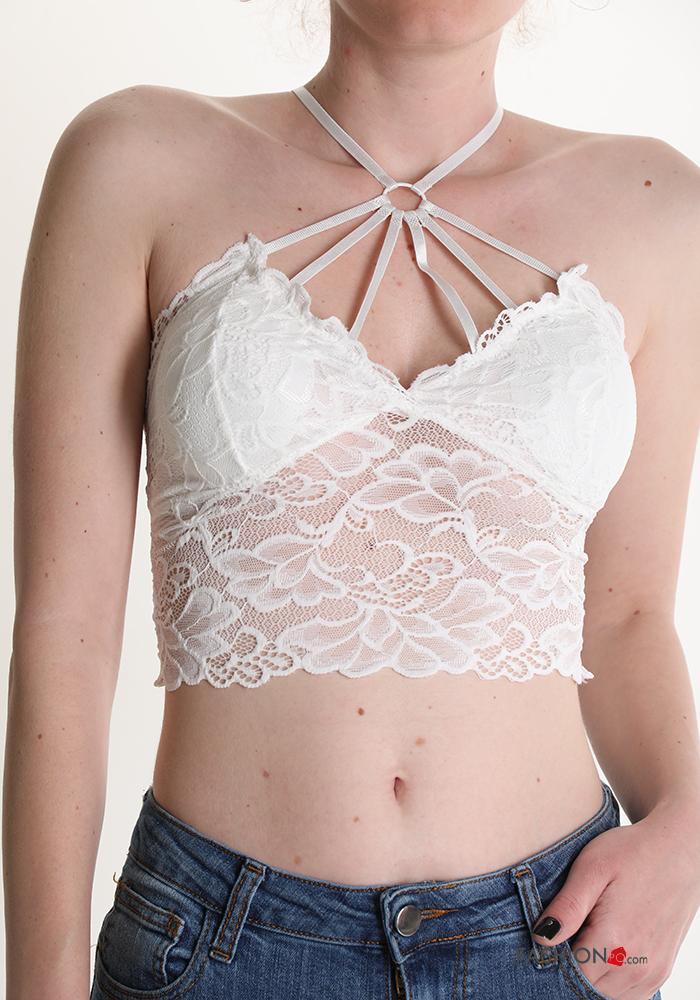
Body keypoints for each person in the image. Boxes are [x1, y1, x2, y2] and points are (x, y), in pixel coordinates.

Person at [5, 1, 700, 998]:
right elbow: (65, 633)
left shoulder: (658, 207)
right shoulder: (135, 161)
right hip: (216, 947)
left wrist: (687, 828)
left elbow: (627, 614)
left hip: (554, 941)